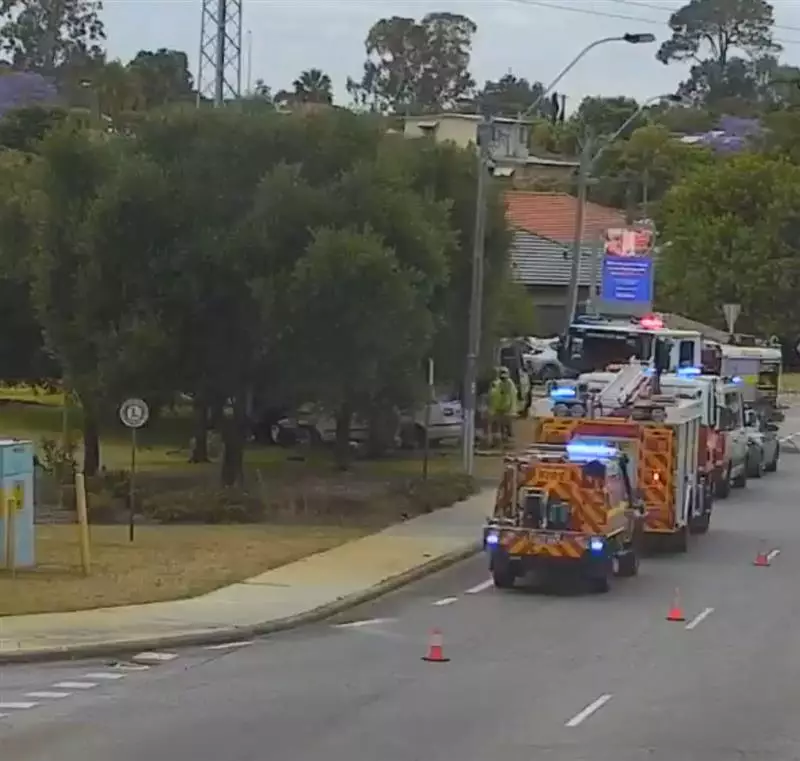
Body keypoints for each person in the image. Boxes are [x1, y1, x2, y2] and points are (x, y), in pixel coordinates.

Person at [488, 366, 517, 447]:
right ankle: (497, 442)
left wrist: (512, 409)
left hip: (506, 409)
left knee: (506, 426)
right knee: (497, 426)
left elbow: (513, 396)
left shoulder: (510, 384)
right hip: (498, 408)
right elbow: (493, 397)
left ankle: (506, 442)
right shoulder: (496, 384)